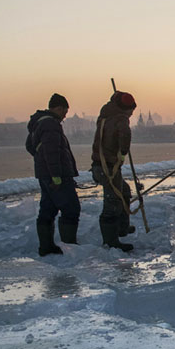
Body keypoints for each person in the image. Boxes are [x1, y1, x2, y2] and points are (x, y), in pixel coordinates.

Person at [25, 93, 80, 256]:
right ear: (58, 108)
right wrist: (56, 175)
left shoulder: (38, 122)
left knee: (48, 209)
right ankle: (70, 248)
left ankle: (46, 247)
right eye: (65, 111)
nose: (65, 115)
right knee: (71, 208)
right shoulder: (51, 124)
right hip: (57, 176)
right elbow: (52, 152)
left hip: (44, 174)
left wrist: (41, 162)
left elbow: (30, 146)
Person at [91, 91, 137, 252]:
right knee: (112, 202)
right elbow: (125, 135)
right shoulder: (120, 119)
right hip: (107, 167)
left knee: (124, 190)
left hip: (101, 165)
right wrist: (123, 152)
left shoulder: (105, 115)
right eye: (131, 110)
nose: (132, 114)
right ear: (126, 109)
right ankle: (111, 241)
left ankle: (122, 227)